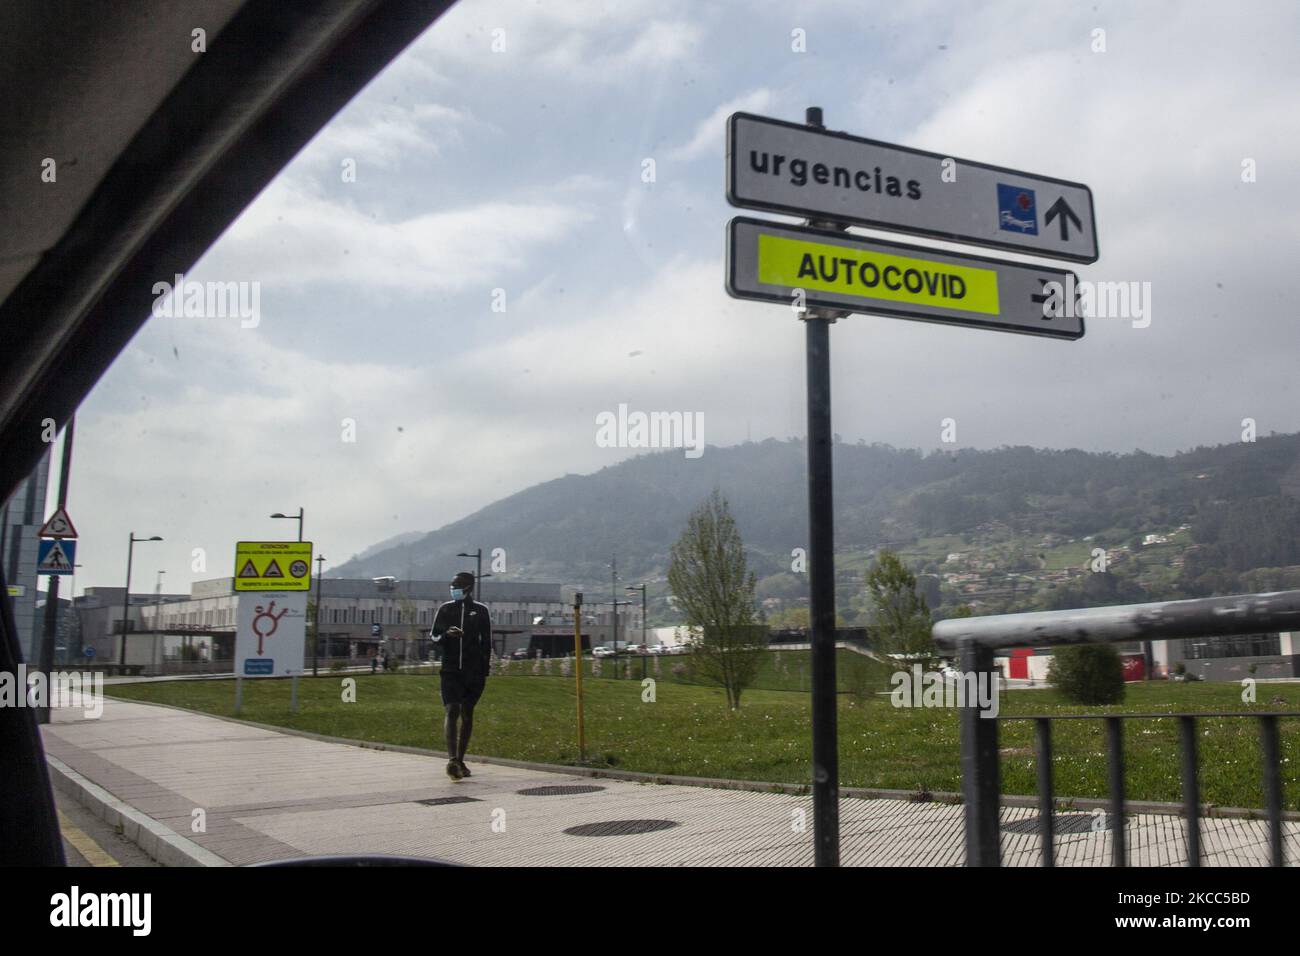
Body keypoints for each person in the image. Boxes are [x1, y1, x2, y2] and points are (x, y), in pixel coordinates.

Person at [430, 570, 492, 780]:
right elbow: (434, 637)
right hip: (450, 670)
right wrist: (446, 635)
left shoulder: (481, 611)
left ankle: (460, 759)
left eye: (458, 585)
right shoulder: (445, 610)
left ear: (469, 588)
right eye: (452, 585)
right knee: (452, 709)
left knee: (467, 712)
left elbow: (487, 642)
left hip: (473, 672)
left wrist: (484, 669)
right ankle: (452, 759)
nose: (454, 588)